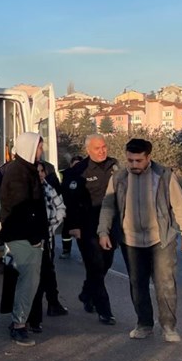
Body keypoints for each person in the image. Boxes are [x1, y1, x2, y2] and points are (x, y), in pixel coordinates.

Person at [97, 138, 182, 342]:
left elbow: (179, 206)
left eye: (138, 160)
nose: (133, 165)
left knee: (165, 283)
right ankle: (144, 324)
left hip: (161, 239)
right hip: (131, 241)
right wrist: (103, 232)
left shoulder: (164, 175)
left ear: (148, 158)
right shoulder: (118, 178)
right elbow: (108, 206)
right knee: (137, 283)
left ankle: (169, 327)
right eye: (130, 160)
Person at [62, 135, 119, 326]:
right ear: (88, 150)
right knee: (95, 266)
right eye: (97, 148)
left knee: (105, 263)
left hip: (111, 225)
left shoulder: (115, 166)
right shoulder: (78, 172)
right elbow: (69, 202)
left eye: (104, 147)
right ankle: (105, 310)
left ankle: (87, 293)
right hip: (87, 227)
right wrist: (73, 227)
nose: (102, 151)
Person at [0, 131, 46, 346]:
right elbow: (22, 209)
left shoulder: (25, 169)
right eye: (39, 147)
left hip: (25, 236)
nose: (41, 151)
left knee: (29, 281)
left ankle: (22, 321)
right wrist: (34, 237)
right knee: (28, 282)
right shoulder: (19, 172)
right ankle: (18, 326)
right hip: (24, 238)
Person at [27, 160, 68, 332]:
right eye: (37, 171)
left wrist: (49, 226)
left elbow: (61, 209)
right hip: (29, 242)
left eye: (42, 171)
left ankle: (50, 306)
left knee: (47, 273)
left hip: (46, 240)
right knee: (34, 278)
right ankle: (30, 316)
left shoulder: (49, 188)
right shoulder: (27, 189)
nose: (41, 174)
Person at [60, 155, 84, 258]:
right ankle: (66, 250)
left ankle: (84, 254)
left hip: (80, 210)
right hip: (68, 208)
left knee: (81, 233)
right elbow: (62, 192)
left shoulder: (85, 175)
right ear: (70, 165)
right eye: (74, 165)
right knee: (66, 233)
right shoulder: (66, 175)